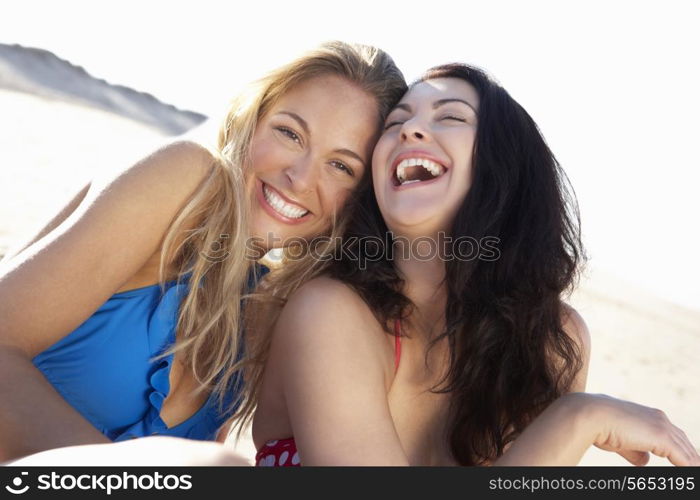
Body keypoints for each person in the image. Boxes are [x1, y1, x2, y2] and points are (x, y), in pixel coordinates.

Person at [241, 63, 700, 466]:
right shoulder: (329, 311)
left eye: (451, 117)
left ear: (502, 165)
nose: (409, 129)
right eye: (397, 121)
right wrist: (578, 419)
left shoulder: (553, 342)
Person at [0, 41, 407, 462]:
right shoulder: (184, 179)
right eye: (290, 133)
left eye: (341, 166)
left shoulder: (266, 311)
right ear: (251, 121)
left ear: (360, 200)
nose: (300, 179)